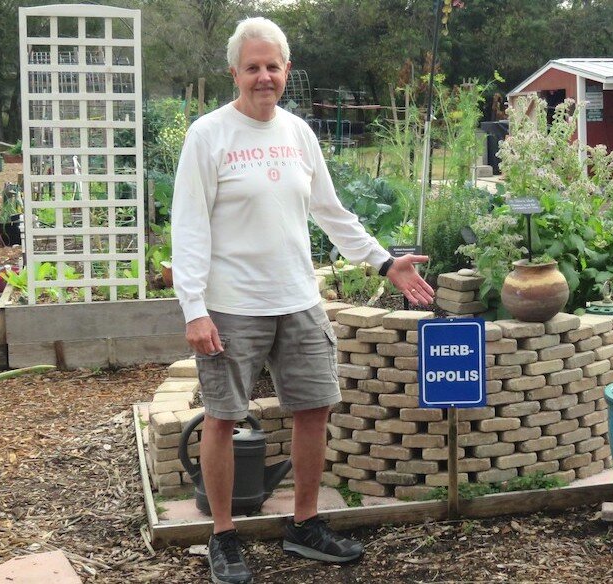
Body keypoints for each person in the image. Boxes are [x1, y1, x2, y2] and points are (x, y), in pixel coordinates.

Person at [171, 16, 434, 584]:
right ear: (234, 73)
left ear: (286, 71)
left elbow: (332, 212)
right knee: (222, 417)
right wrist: (193, 308)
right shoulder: (208, 136)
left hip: (297, 298)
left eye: (273, 66)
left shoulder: (297, 134)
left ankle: (305, 523)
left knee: (314, 409)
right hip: (231, 304)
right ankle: (223, 536)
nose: (263, 76)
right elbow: (188, 228)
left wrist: (385, 262)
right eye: (252, 67)